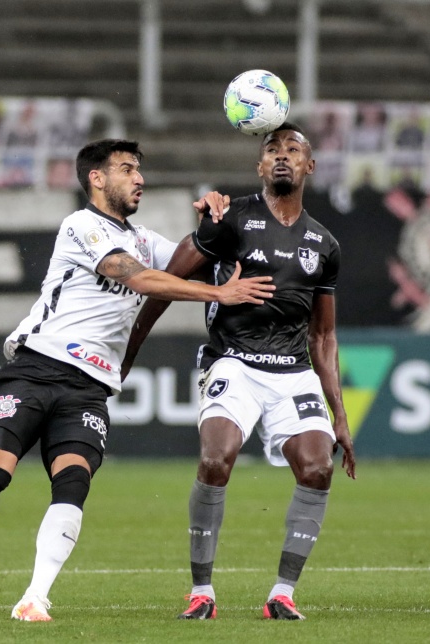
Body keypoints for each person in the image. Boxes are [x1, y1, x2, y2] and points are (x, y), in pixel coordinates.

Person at [0, 139, 275, 622]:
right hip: (33, 368)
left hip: (88, 388)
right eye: (127, 169)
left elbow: (198, 258)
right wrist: (219, 293)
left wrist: (216, 221)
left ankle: (35, 597)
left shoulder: (146, 239)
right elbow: (138, 278)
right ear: (97, 178)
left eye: (139, 170)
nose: (139, 178)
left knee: (72, 483)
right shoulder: (81, 226)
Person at [121, 123, 357, 622]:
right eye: (271, 149)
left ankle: (282, 594)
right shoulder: (229, 219)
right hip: (235, 361)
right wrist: (128, 355)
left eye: (293, 150)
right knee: (216, 458)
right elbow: (164, 285)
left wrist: (340, 413)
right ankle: (202, 591)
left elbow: (323, 336)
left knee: (318, 468)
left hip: (293, 370)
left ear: (309, 166)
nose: (281, 157)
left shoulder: (326, 244)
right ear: (259, 165)